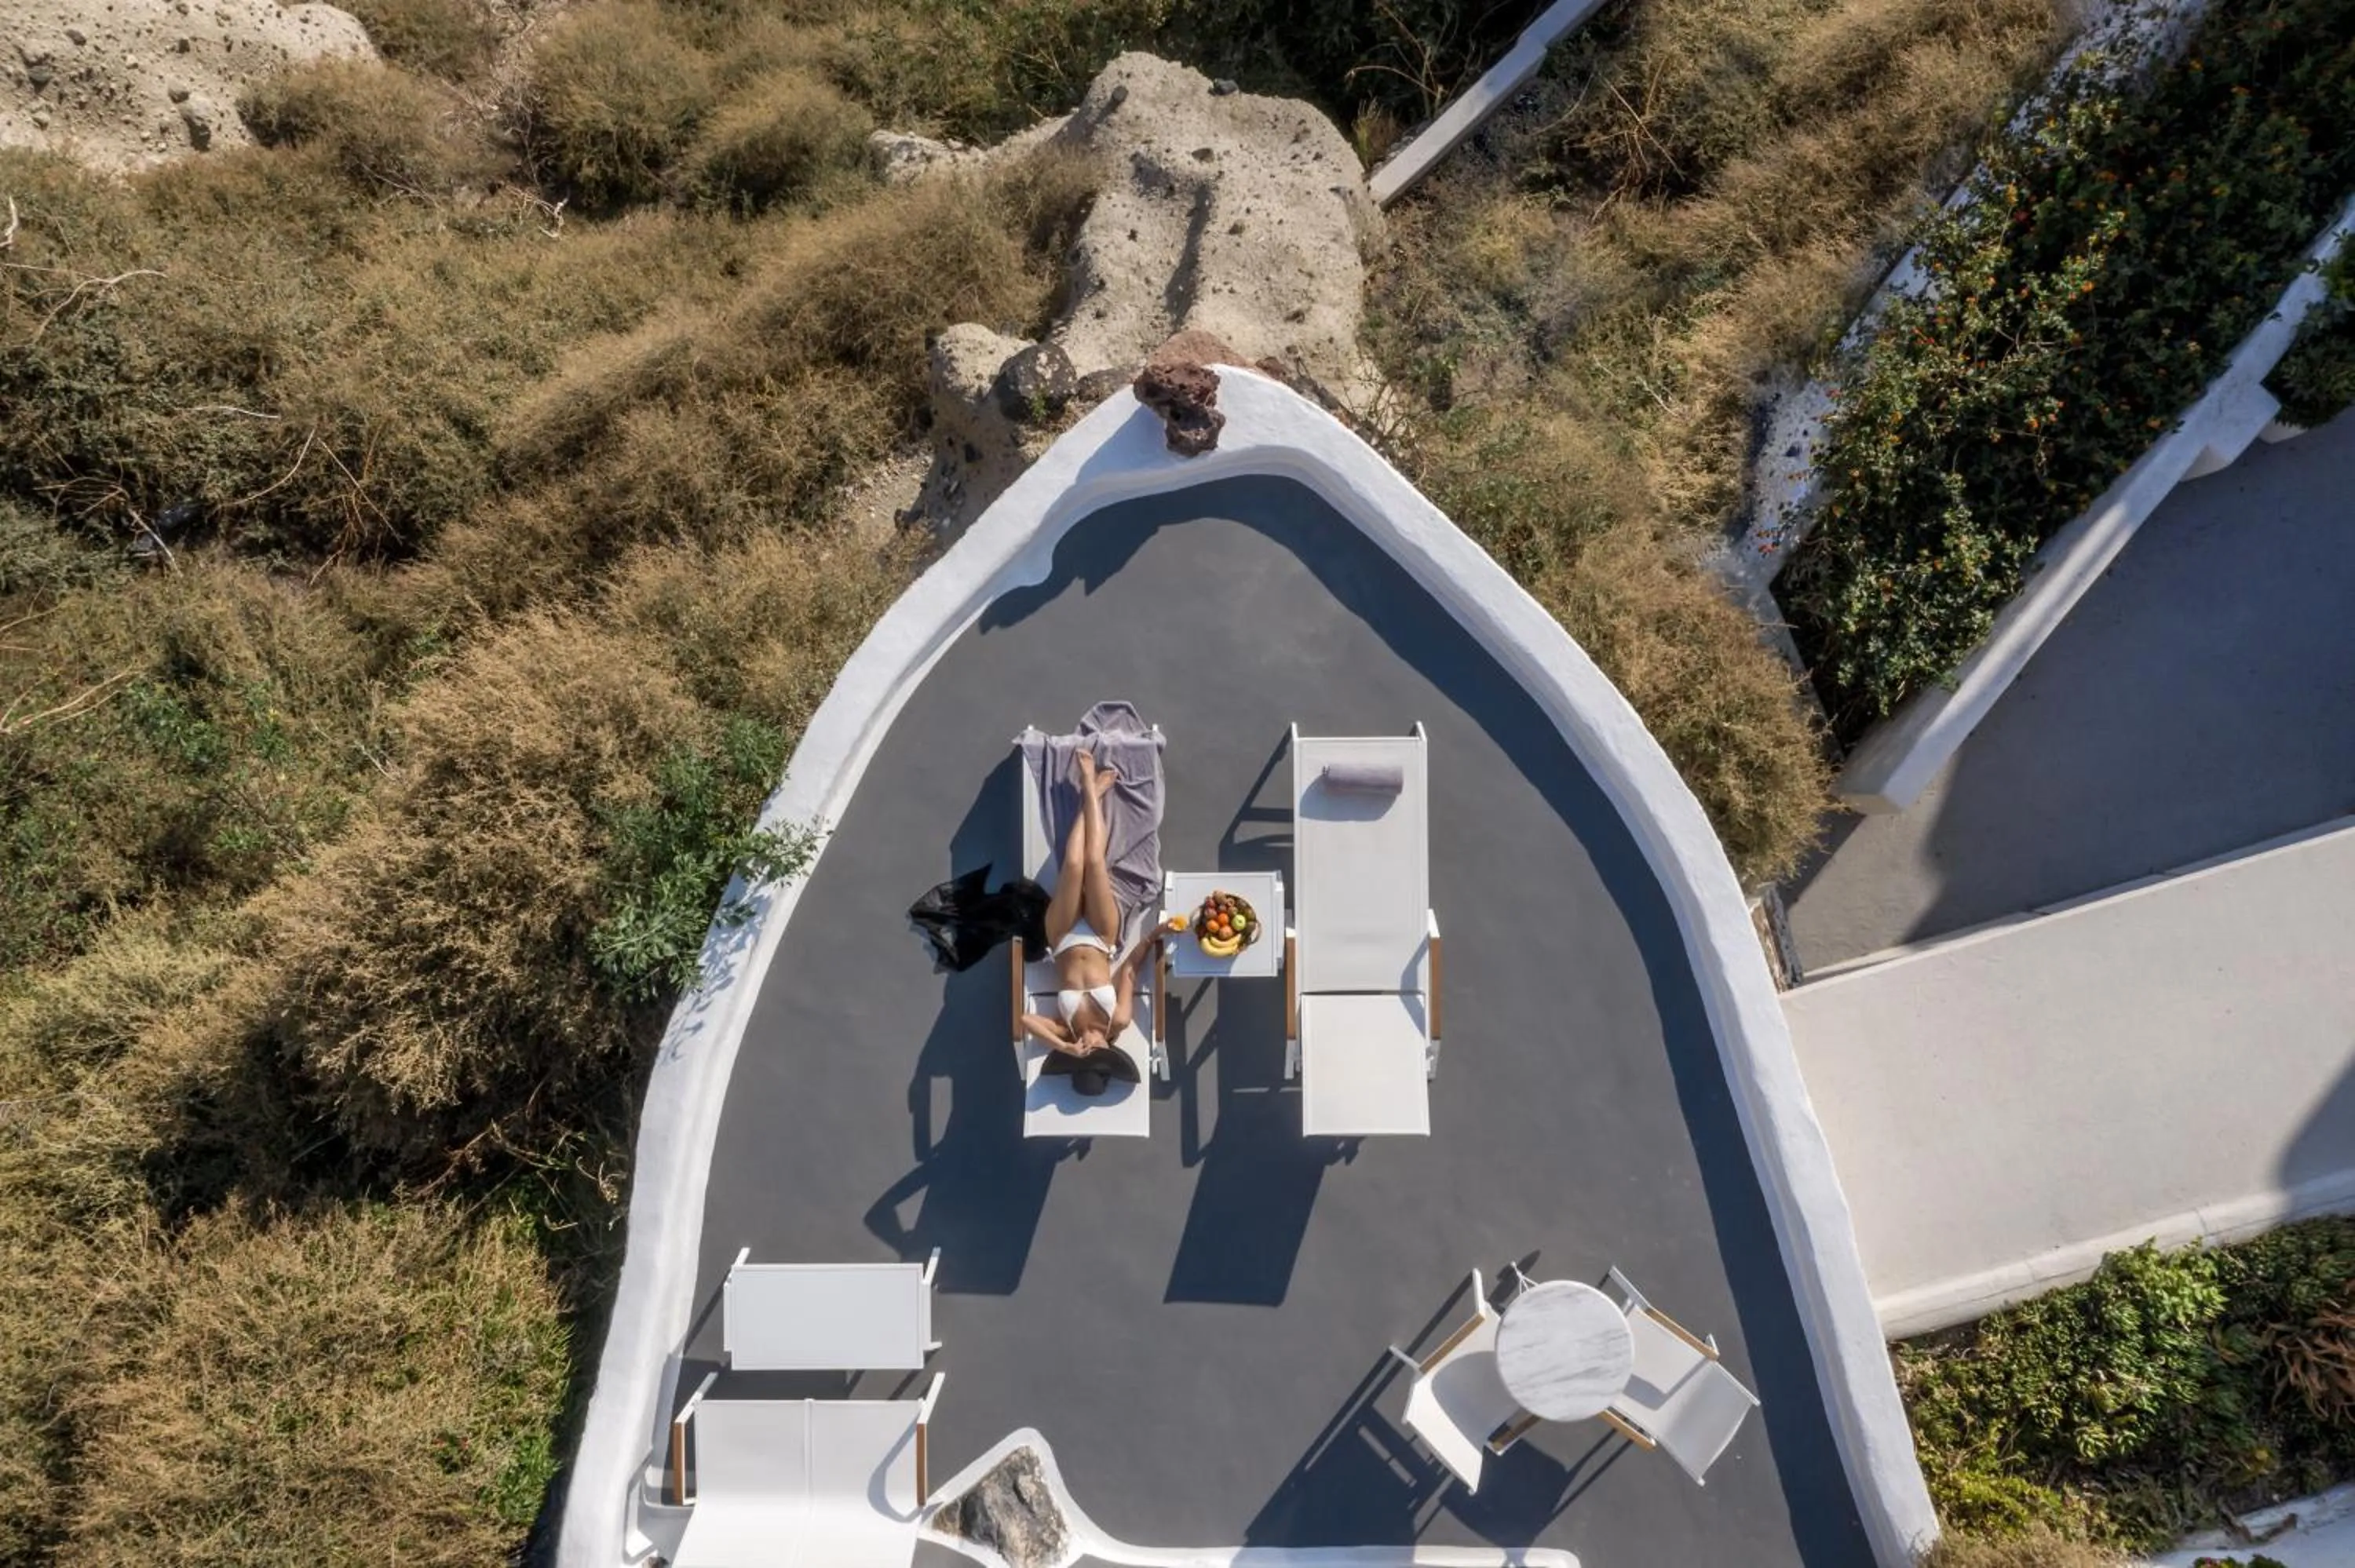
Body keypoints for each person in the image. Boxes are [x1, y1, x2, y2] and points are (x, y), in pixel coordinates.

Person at [1019, 750, 1156, 1091]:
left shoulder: (1065, 1030)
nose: (1095, 1049)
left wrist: (1064, 1046)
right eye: (1103, 1055)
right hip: (1100, 936)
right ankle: (1091, 791)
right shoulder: (1118, 1020)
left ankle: (1090, 792)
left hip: (1061, 937)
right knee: (1094, 864)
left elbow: (1025, 1020)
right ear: (1111, 1051)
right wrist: (1155, 937)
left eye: (1088, 1056)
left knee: (1073, 866)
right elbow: (1128, 971)